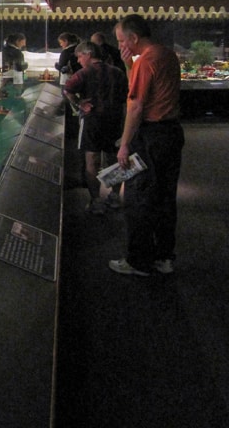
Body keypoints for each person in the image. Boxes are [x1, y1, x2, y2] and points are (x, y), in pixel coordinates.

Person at [110, 14, 184, 276]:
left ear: (133, 37)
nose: (121, 45)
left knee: (138, 197)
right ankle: (164, 257)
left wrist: (124, 145)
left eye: (122, 41)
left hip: (151, 136)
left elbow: (136, 105)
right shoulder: (166, 55)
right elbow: (140, 89)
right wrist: (128, 64)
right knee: (164, 197)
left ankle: (138, 261)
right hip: (171, 133)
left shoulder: (147, 60)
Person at [63, 41, 128, 214]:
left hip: (92, 122)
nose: (79, 60)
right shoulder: (118, 73)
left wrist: (78, 103)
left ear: (88, 54)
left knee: (92, 161)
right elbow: (126, 98)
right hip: (114, 121)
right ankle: (114, 197)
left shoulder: (83, 73)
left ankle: (96, 201)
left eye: (80, 56)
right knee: (115, 159)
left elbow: (67, 89)